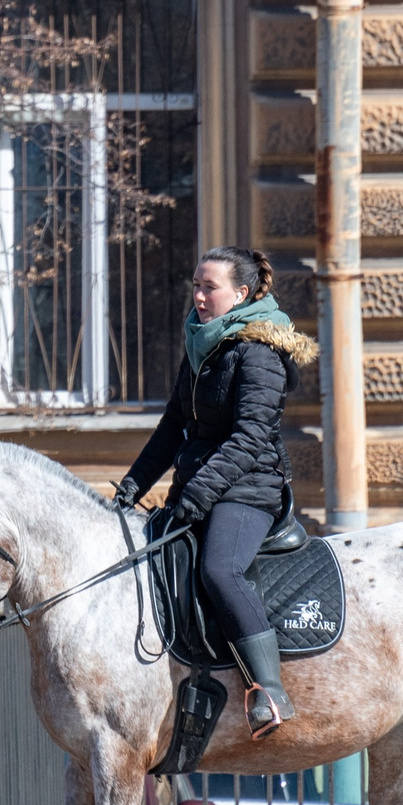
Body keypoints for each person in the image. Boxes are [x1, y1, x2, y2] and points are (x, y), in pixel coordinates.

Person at [111, 246, 318, 739]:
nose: (199, 297)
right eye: (196, 286)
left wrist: (198, 493)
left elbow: (250, 438)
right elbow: (173, 427)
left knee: (219, 569)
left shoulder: (259, 352)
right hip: (201, 487)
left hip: (250, 490)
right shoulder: (203, 346)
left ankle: (269, 691)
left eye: (210, 288)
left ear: (241, 293)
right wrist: (133, 485)